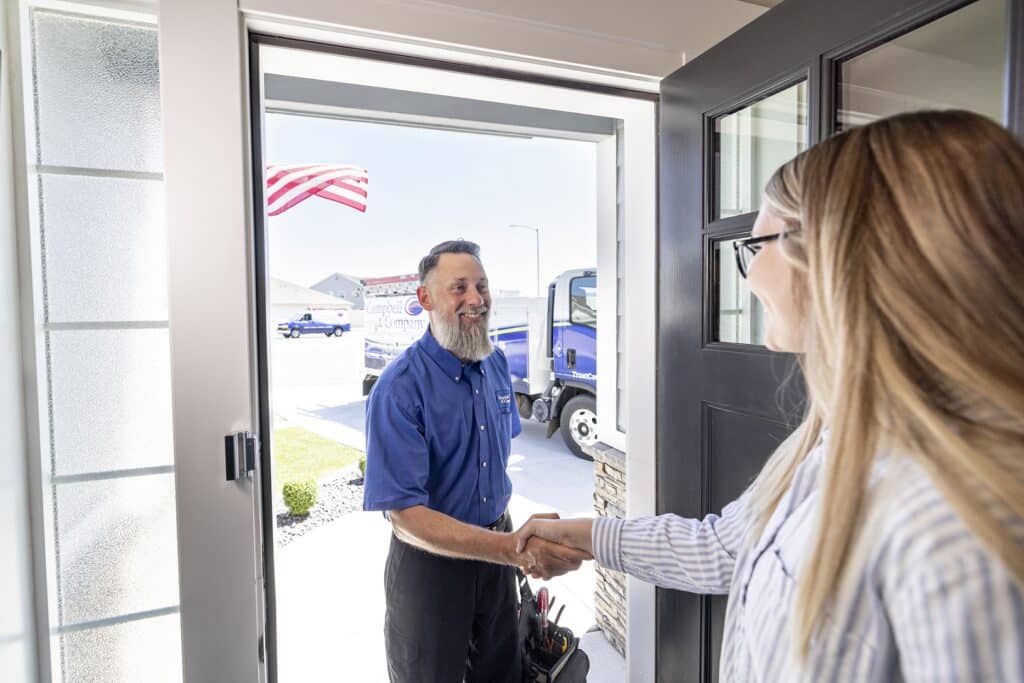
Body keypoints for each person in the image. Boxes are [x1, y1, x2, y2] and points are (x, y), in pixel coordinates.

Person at [514, 110, 1024, 681]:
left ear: (843, 254)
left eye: (757, 246)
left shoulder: (960, 530)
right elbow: (723, 549)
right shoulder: (829, 442)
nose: (750, 276)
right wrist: (582, 536)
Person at [363, 239, 590, 683]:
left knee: (503, 672)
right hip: (430, 566)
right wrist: (512, 551)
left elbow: (491, 465)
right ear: (426, 299)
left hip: (497, 556)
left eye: (482, 286)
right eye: (460, 287)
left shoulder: (496, 364)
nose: (476, 298)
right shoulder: (399, 388)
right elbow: (406, 517)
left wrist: (514, 543)